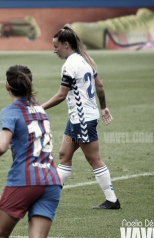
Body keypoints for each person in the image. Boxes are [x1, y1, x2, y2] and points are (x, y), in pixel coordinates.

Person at [0, 65, 63, 238]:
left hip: (25, 180)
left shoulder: (10, 111)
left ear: (7, 86)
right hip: (51, 180)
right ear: (30, 84)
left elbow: (1, 146)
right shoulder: (39, 109)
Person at [41, 24, 120, 209]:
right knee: (64, 154)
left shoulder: (70, 65)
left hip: (82, 119)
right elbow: (99, 87)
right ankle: (49, 199)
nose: (54, 50)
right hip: (79, 118)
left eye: (56, 46)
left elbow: (62, 94)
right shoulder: (86, 60)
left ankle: (112, 200)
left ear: (66, 44)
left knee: (93, 159)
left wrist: (40, 108)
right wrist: (104, 108)